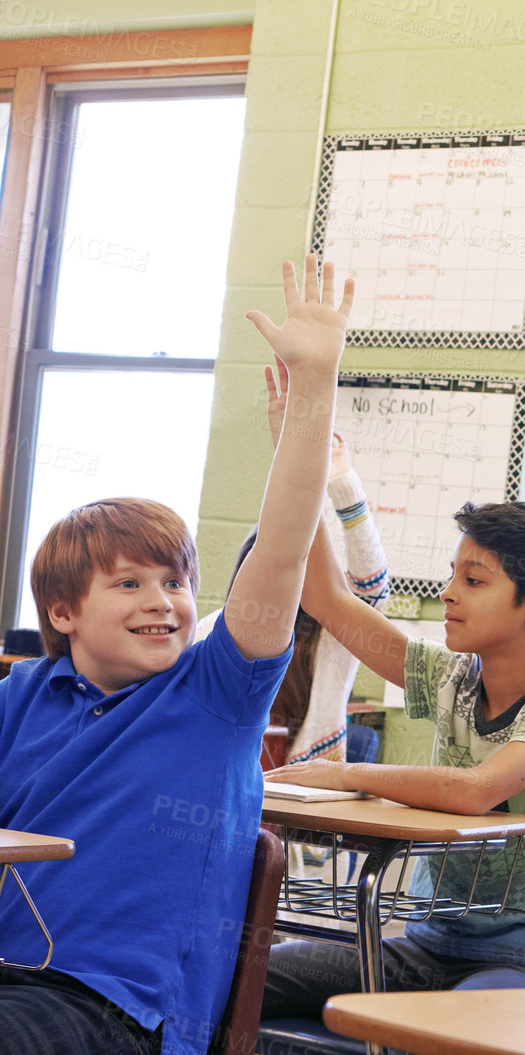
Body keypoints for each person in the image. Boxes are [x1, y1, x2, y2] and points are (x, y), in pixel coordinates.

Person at [0, 256, 351, 1055]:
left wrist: (312, 391)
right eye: (129, 582)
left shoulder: (216, 691)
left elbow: (286, 551)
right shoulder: (23, 695)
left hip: (113, 1006)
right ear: (63, 612)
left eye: (175, 580)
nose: (163, 599)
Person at [260, 431, 525, 1011]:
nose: (448, 594)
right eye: (453, 576)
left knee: (446, 1031)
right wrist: (293, 448)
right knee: (239, 980)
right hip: (426, 945)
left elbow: (477, 791)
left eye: (473, 581)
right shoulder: (453, 676)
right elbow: (324, 596)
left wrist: (344, 774)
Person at [201, 430, 389, 766]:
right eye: (269, 569)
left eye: (295, 568)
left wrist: (342, 484)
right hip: (227, 780)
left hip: (305, 797)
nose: (280, 582)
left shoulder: (330, 635)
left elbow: (372, 588)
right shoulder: (211, 630)